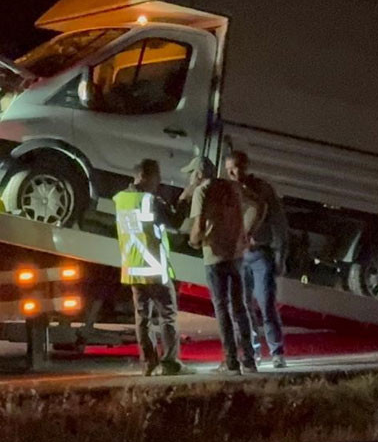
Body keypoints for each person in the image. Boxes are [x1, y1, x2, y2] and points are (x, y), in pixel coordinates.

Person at [180, 156, 256, 374]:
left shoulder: (202, 191)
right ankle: (250, 360)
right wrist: (246, 232)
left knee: (222, 309)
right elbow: (259, 204)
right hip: (236, 255)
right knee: (240, 307)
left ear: (198, 174)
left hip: (214, 257)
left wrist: (194, 241)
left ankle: (231, 362)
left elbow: (198, 226)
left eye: (191, 174)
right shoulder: (232, 187)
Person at [114, 159, 185, 376]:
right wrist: (184, 197)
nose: (159, 182)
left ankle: (148, 364)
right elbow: (176, 221)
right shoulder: (150, 201)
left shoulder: (121, 199)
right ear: (146, 176)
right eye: (157, 177)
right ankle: (170, 364)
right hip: (154, 270)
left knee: (142, 319)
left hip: (133, 270)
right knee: (168, 317)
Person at [226, 151, 288, 368]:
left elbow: (278, 221)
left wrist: (280, 254)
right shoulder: (228, 191)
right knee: (244, 306)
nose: (234, 173)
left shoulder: (261, 189)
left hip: (261, 253)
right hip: (239, 256)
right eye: (230, 169)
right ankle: (253, 351)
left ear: (246, 166)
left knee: (266, 303)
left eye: (237, 167)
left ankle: (277, 351)